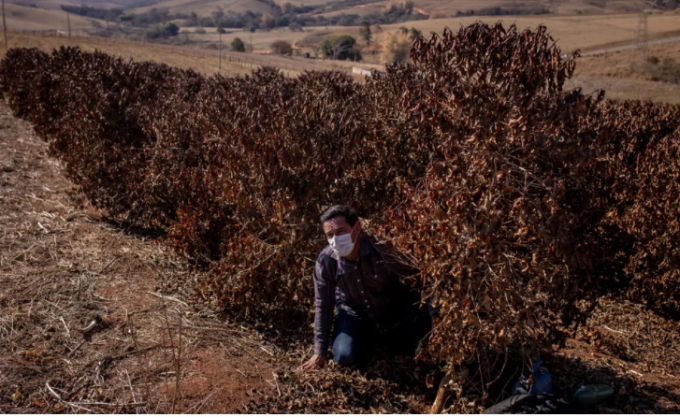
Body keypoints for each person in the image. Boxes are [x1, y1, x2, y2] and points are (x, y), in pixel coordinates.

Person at [302, 205, 436, 371]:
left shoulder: (382, 249)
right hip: (352, 312)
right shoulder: (326, 261)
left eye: (341, 232)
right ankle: (365, 337)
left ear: (356, 228)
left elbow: (420, 279)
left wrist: (436, 322)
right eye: (330, 235)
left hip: (391, 308)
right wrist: (319, 351)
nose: (335, 239)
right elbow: (324, 305)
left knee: (415, 345)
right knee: (344, 355)